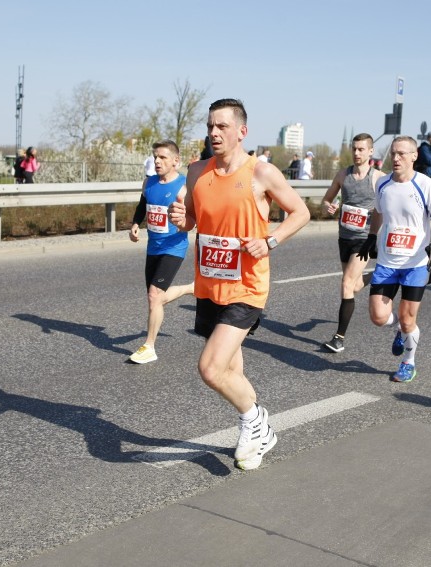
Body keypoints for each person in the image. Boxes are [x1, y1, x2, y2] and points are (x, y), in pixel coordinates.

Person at [167, 98, 310, 470]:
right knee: (232, 372)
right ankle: (257, 429)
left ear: (241, 131)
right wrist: (180, 217)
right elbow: (193, 222)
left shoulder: (261, 173)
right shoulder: (197, 171)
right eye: (210, 126)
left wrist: (270, 241)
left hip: (247, 286)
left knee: (211, 369)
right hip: (211, 284)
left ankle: (256, 422)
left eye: (222, 127)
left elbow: (301, 211)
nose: (214, 133)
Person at [357, 135, 431, 383]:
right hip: (388, 263)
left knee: (409, 318)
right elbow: (378, 211)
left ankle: (408, 362)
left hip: (415, 263)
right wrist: (372, 236)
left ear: (414, 156)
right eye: (393, 153)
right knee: (378, 316)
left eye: (401, 154)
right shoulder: (383, 184)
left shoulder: (425, 185)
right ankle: (400, 329)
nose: (396, 158)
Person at [128, 140, 194, 364]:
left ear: (176, 161)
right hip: (153, 247)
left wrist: (185, 220)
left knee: (154, 295)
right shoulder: (149, 182)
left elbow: (195, 217)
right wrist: (136, 224)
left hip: (174, 247)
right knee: (154, 299)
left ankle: (149, 346)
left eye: (163, 157)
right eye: (155, 156)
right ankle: (191, 288)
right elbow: (142, 205)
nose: (157, 161)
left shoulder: (185, 186)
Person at [319, 132, 384, 353]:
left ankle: (339, 338)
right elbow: (326, 199)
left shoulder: (378, 178)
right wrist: (328, 206)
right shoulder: (342, 175)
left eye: (361, 149)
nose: (357, 153)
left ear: (371, 151)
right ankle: (377, 275)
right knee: (354, 285)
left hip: (364, 239)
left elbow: (390, 204)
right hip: (344, 237)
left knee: (346, 284)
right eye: (354, 149)